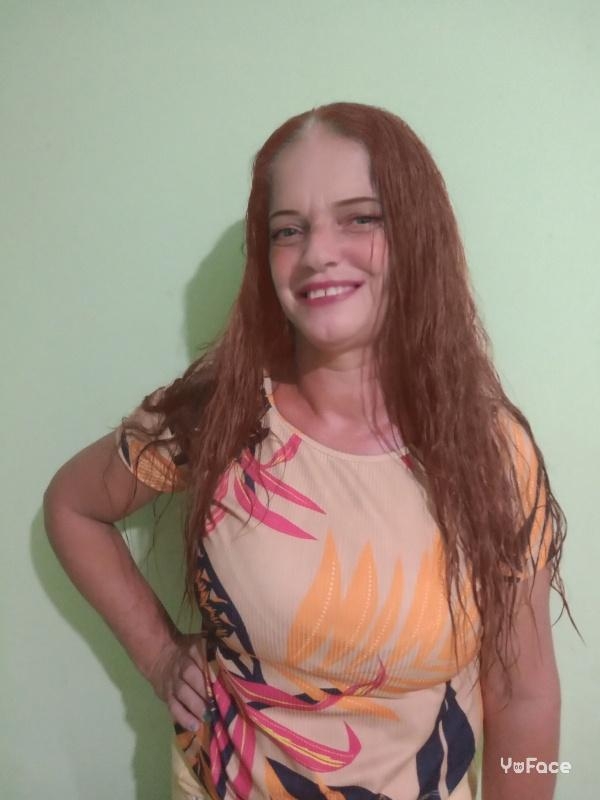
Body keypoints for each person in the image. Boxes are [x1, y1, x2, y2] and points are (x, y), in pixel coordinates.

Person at [44, 102, 571, 800]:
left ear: (417, 235)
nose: (319, 252)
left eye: (361, 218)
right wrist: (159, 656)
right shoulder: (221, 413)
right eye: (289, 230)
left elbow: (525, 697)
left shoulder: (491, 452)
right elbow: (73, 507)